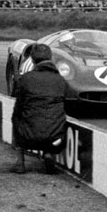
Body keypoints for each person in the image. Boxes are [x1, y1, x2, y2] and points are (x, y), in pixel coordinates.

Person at [11, 44, 67, 174]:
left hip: (27, 137)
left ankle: (20, 162)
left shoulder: (25, 79)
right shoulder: (61, 80)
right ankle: (49, 154)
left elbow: (18, 109)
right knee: (55, 115)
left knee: (16, 116)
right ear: (51, 58)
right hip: (54, 138)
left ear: (33, 60)